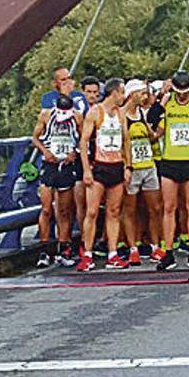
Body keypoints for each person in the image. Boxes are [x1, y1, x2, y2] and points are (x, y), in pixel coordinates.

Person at [151, 71, 189, 270]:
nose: (182, 95)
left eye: (186, 91)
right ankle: (168, 253)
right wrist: (162, 98)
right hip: (170, 161)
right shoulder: (168, 101)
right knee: (169, 208)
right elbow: (151, 119)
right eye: (179, 91)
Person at [76, 78, 130, 271]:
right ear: (114, 93)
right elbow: (83, 142)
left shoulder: (120, 114)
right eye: (122, 93)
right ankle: (87, 253)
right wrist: (86, 170)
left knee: (114, 212)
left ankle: (113, 253)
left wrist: (128, 166)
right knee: (91, 211)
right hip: (99, 166)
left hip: (116, 165)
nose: (123, 97)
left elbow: (126, 141)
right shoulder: (95, 112)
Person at [32, 94, 83, 267]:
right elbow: (35, 137)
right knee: (46, 209)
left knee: (64, 210)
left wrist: (74, 152)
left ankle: (64, 249)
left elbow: (84, 138)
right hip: (50, 165)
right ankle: (44, 250)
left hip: (67, 165)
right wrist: (44, 152)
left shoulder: (77, 116)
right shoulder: (46, 115)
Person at [121, 80, 162, 267]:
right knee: (130, 209)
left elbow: (151, 135)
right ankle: (133, 248)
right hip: (133, 167)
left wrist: (163, 126)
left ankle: (155, 246)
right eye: (141, 93)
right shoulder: (122, 115)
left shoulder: (141, 114)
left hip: (148, 165)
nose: (145, 97)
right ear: (132, 94)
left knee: (154, 208)